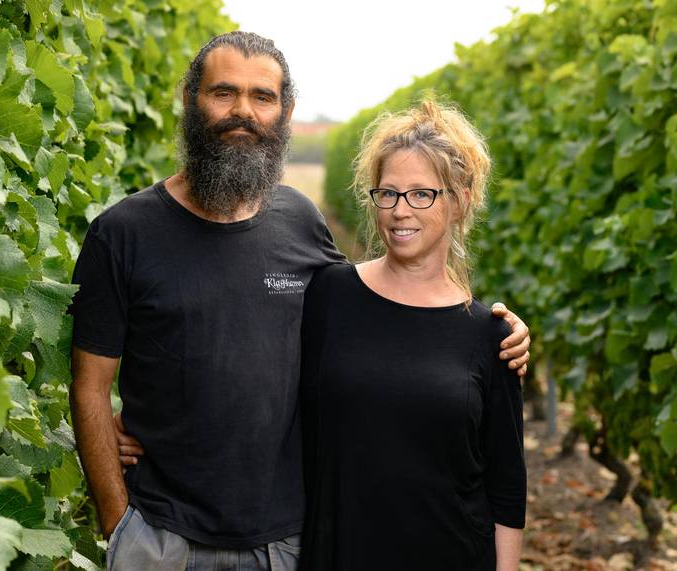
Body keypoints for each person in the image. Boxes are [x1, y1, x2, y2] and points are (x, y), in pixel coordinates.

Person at [70, 31, 531, 571]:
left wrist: (487, 329)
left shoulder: (301, 222)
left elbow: (391, 306)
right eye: (223, 92)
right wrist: (118, 522)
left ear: (285, 113)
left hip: (286, 544)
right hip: (161, 537)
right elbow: (89, 387)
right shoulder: (122, 234)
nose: (243, 111)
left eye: (262, 97)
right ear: (190, 98)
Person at [298, 99, 526, 570]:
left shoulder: (493, 335)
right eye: (388, 193)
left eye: (422, 194)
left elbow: (506, 490)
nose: (401, 211)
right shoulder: (328, 294)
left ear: (459, 201)